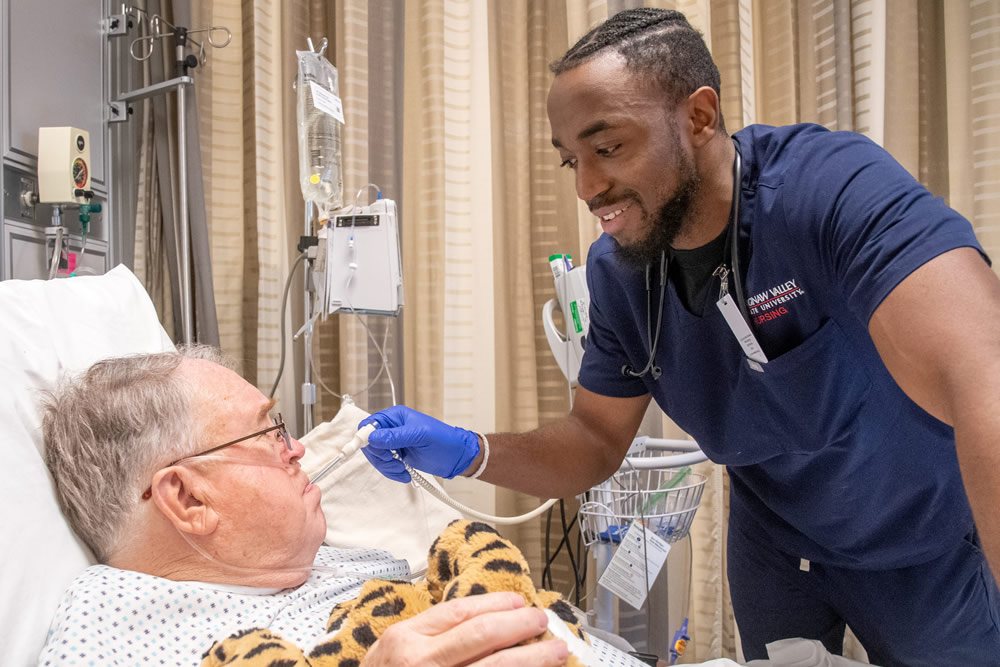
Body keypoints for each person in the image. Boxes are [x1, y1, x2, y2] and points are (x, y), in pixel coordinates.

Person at [358, 8, 1000, 666]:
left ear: (698, 117)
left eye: (607, 148)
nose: (587, 186)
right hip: (778, 545)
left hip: (918, 543)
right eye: (571, 160)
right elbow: (596, 439)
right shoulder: (620, 272)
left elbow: (983, 374)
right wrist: (468, 450)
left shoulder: (828, 191)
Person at [37, 346, 570, 667]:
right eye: (271, 432)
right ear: (188, 497)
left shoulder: (336, 566)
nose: (297, 449)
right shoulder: (116, 625)